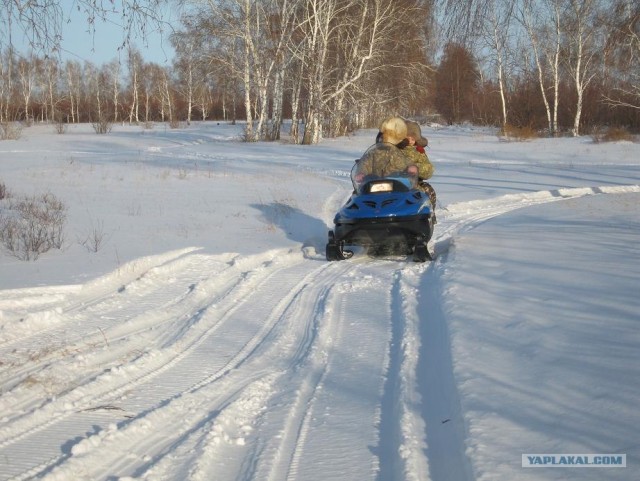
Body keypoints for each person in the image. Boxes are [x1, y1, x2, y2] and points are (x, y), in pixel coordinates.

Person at [403, 120, 436, 209]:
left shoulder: (419, 151)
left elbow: (428, 169)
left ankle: (428, 214)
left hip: (413, 183)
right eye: (407, 138)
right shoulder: (393, 149)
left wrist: (416, 168)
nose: (410, 141)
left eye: (413, 139)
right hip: (393, 181)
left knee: (427, 191)